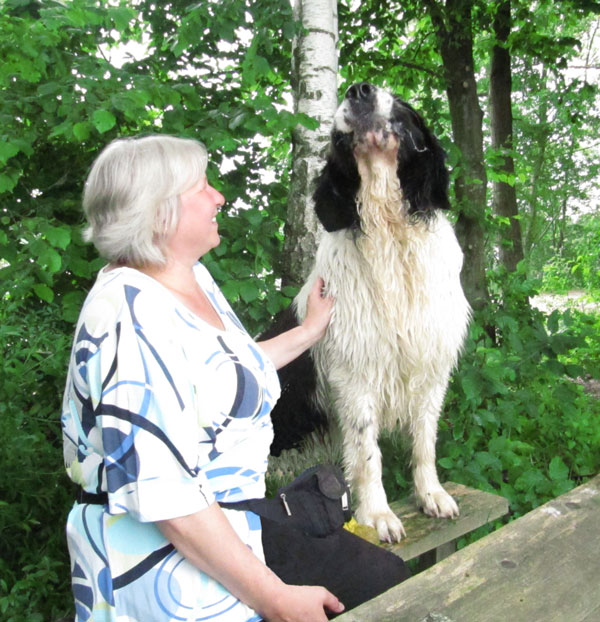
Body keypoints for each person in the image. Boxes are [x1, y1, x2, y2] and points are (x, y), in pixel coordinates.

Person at [62, 134, 408, 622]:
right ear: (159, 212)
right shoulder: (130, 320)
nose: (218, 196)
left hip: (233, 529)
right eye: (201, 187)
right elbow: (169, 500)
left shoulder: (187, 277)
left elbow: (225, 376)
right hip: (166, 574)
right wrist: (276, 599)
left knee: (391, 586)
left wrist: (308, 331)